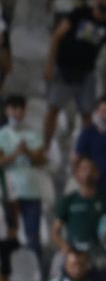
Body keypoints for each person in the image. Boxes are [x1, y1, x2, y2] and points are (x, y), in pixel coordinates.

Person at [45, 0, 106, 151]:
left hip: (86, 73)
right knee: (53, 108)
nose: (105, 1)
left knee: (87, 114)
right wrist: (49, 64)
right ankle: (45, 146)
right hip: (65, 68)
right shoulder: (79, 14)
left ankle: (86, 152)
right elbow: (57, 35)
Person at [0, 96, 48, 262]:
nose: (17, 112)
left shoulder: (33, 133)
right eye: (14, 108)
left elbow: (41, 159)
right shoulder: (2, 134)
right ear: (7, 110)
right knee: (10, 230)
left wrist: (27, 152)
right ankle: (7, 269)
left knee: (33, 234)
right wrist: (15, 154)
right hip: (9, 188)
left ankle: (36, 269)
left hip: (31, 188)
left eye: (21, 109)